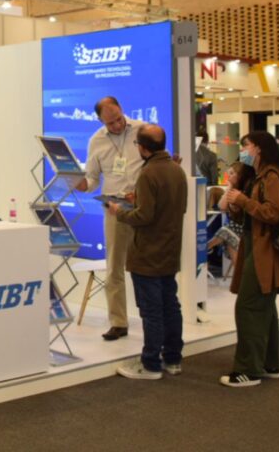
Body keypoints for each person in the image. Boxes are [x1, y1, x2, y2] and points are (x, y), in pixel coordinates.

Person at [108, 125, 188, 380]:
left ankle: (151, 363)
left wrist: (119, 212)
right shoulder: (177, 170)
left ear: (142, 148)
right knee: (170, 307)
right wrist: (139, 201)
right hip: (170, 251)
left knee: (151, 310)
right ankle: (173, 359)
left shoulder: (148, 173)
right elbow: (173, 207)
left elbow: (144, 216)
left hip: (148, 253)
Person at [219, 131, 279, 387]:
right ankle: (269, 363)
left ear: (259, 148)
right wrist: (238, 203)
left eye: (246, 146)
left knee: (249, 307)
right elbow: (252, 214)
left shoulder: (271, 176)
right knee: (264, 308)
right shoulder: (259, 176)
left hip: (265, 249)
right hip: (256, 246)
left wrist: (243, 200)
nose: (243, 151)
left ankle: (248, 369)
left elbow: (272, 213)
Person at [74, 96, 146, 342]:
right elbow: (92, 179)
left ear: (122, 110)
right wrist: (82, 185)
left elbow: (155, 164)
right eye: (110, 122)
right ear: (100, 120)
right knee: (114, 266)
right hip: (115, 207)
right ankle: (118, 322)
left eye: (118, 119)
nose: (116, 125)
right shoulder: (96, 141)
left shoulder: (141, 130)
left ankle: (151, 317)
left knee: (147, 263)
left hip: (143, 205)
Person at [208, 161, 257, 276]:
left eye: (232, 173)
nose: (228, 176)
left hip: (245, 230)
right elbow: (222, 206)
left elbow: (230, 209)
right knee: (228, 235)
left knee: (227, 232)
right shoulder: (233, 191)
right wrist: (229, 187)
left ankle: (207, 246)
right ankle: (240, 275)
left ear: (240, 176)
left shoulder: (244, 192)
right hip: (236, 230)